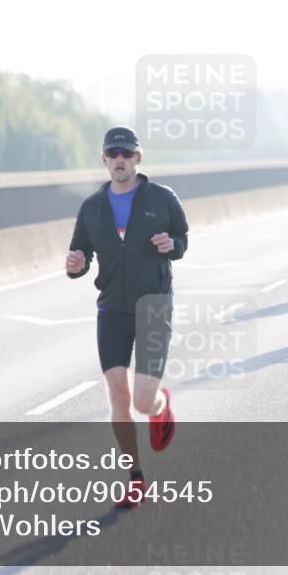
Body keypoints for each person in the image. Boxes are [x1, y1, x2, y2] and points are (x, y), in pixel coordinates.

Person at [66, 126, 187, 509]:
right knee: (118, 394)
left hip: (153, 305)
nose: (119, 160)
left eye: (126, 153)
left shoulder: (162, 199)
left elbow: (182, 239)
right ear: (104, 159)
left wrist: (172, 246)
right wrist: (75, 265)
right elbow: (78, 255)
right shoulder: (91, 208)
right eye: (112, 153)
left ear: (138, 158)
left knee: (143, 400)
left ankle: (160, 408)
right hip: (112, 308)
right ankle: (134, 478)